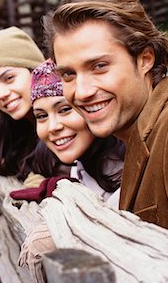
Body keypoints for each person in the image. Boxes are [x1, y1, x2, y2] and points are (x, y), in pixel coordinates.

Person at [44, 0, 168, 250]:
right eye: (68, 74)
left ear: (145, 59)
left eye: (99, 66)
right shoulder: (128, 135)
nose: (82, 91)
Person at [30, 58, 124, 206]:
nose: (53, 126)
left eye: (65, 109)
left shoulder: (131, 173)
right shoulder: (79, 167)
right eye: (41, 116)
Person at [0, 26, 65, 187]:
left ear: (35, 71)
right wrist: (3, 164)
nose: (2, 93)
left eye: (9, 78)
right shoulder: (17, 129)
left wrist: (53, 183)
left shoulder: (67, 118)